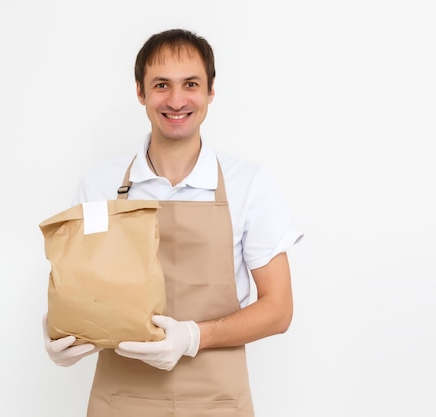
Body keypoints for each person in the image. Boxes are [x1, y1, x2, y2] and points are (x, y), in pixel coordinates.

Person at [42, 28, 303, 416]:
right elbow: (81, 290)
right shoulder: (100, 184)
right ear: (140, 92)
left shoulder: (250, 185)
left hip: (218, 403)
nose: (177, 100)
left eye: (191, 84)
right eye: (161, 85)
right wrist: (58, 331)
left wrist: (193, 336)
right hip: (121, 401)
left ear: (211, 91)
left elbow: (278, 308)